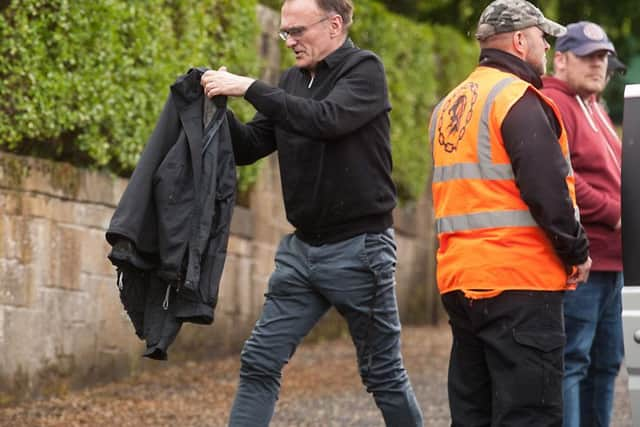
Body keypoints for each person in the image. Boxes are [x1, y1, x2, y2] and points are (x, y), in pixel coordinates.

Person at [200, 0, 424, 425]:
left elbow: (326, 120)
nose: (289, 42)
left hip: (361, 251)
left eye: (297, 31)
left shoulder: (365, 71)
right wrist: (215, 104)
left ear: (334, 24)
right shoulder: (291, 81)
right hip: (301, 254)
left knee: (383, 374)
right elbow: (249, 147)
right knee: (260, 361)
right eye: (284, 33)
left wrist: (249, 87)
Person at [429, 0, 592, 425]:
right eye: (542, 38)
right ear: (520, 41)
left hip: (461, 281)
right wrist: (576, 251)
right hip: (519, 282)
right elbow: (548, 192)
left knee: (473, 414)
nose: (545, 49)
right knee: (529, 415)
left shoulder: (449, 106)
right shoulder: (517, 98)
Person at [542, 21, 624, 427]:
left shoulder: (594, 106)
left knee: (607, 363)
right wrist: (617, 212)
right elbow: (563, 178)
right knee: (573, 361)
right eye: (589, 56)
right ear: (560, 58)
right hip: (582, 262)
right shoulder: (553, 102)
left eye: (604, 57)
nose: (599, 64)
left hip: (614, 262)